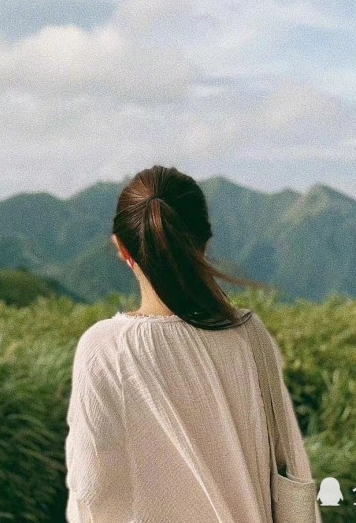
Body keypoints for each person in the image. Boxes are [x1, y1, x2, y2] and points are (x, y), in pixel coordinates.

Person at [64, 165, 319, 523]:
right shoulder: (250, 334)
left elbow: (92, 491)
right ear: (204, 243)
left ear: (122, 248)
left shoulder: (104, 349)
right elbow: (291, 465)